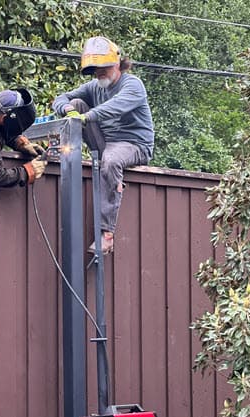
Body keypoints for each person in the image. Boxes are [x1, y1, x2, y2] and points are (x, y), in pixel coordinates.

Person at [52, 36, 154, 254]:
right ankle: (71, 155)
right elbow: (61, 97)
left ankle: (106, 235)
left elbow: (114, 108)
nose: (98, 73)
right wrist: (65, 108)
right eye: (94, 69)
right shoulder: (94, 86)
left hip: (133, 143)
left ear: (116, 64)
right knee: (76, 104)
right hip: (105, 141)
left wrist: (87, 117)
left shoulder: (133, 85)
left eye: (103, 68)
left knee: (110, 161)